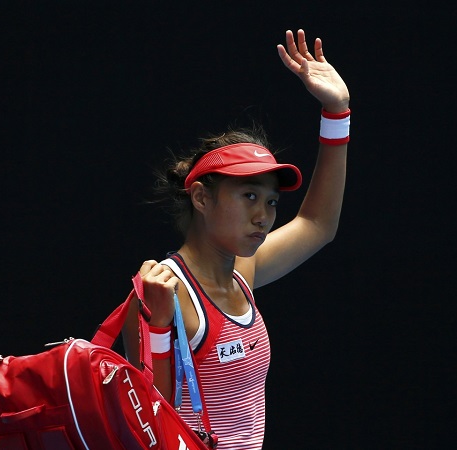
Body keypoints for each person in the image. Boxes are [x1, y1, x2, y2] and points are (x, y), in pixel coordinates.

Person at [122, 28, 350, 449]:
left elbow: (319, 224)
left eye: (271, 202)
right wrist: (156, 326)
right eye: (249, 197)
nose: (263, 216)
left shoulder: (242, 273)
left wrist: (337, 112)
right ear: (201, 197)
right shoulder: (161, 293)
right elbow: (147, 431)